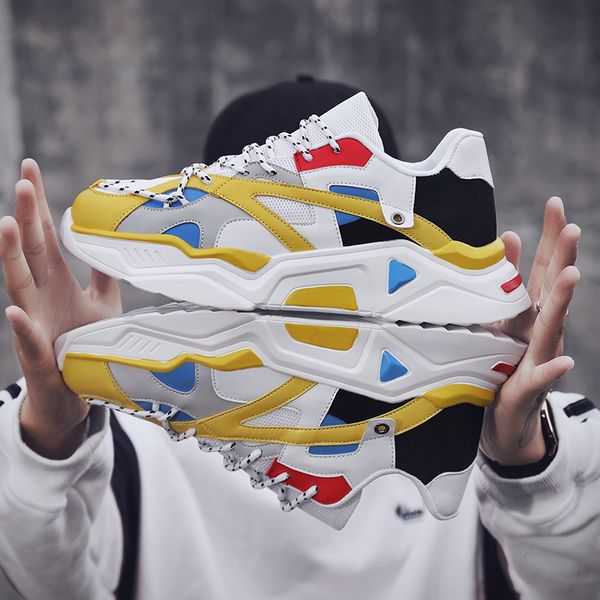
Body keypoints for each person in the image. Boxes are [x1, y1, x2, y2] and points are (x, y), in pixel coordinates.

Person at [0, 77, 598, 600]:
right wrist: (51, 433)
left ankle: (292, 215)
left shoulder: (479, 437)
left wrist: (525, 460)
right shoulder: (127, 446)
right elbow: (50, 583)